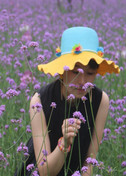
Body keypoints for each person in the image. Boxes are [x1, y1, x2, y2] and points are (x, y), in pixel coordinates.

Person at [15, 26, 120, 176]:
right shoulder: (39, 101)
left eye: (90, 73)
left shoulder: (101, 100)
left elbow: (89, 163)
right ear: (62, 70)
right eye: (75, 72)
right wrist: (64, 143)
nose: (82, 81)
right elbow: (44, 171)